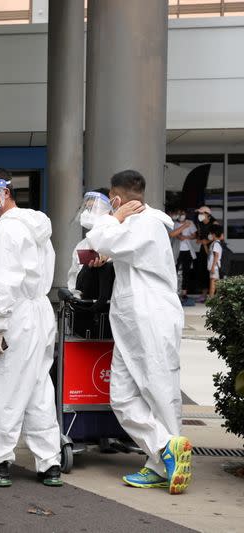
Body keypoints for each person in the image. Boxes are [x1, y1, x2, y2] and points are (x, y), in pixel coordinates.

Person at [86, 169, 192, 494]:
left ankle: (163, 463)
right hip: (136, 320)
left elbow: (100, 236)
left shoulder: (144, 223)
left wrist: (113, 218)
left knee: (160, 392)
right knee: (122, 396)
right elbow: (114, 248)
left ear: (116, 198)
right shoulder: (138, 225)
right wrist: (108, 256)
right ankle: (164, 450)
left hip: (151, 316)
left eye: (112, 202)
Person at [0, 168, 63, 488]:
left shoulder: (5, 230)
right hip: (39, 312)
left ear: (5, 192)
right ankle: (49, 463)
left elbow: (1, 282)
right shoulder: (36, 225)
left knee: (1, 388)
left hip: (14, 316)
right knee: (38, 389)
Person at [67, 189, 112, 294]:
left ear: (109, 210)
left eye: (93, 208)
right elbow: (74, 278)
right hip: (86, 304)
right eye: (86, 208)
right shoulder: (82, 245)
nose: (87, 212)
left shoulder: (117, 239)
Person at [168, 208, 197, 304]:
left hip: (187, 250)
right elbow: (173, 234)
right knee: (174, 271)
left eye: (183, 214)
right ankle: (174, 291)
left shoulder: (190, 223)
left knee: (186, 272)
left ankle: (184, 292)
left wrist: (186, 237)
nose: (182, 216)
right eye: (180, 214)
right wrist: (181, 232)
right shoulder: (173, 223)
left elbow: (194, 235)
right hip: (177, 250)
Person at [194, 206, 216, 303]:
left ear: (208, 214)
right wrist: (200, 241)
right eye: (199, 213)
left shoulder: (214, 223)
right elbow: (198, 237)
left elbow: (218, 237)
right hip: (202, 251)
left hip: (213, 250)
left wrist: (206, 241)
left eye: (202, 213)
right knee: (202, 271)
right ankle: (203, 294)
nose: (200, 215)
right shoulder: (199, 224)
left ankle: (213, 295)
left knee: (213, 272)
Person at [208, 225, 224, 297]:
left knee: (213, 282)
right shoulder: (214, 243)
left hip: (215, 267)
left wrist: (213, 267)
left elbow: (216, 256)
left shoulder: (216, 244)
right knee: (216, 282)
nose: (210, 235)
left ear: (214, 234)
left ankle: (211, 298)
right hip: (215, 267)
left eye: (210, 233)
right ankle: (217, 298)